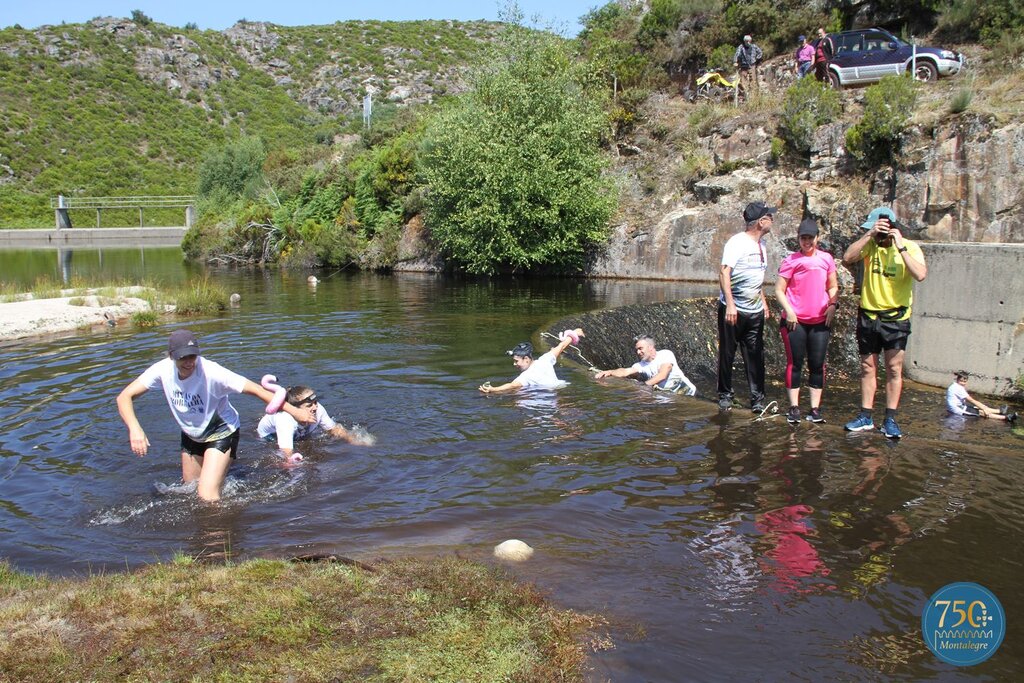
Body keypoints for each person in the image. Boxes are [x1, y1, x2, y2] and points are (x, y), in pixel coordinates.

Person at [116, 329, 315, 502]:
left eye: (192, 356)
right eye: (182, 357)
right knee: (190, 491)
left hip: (221, 432)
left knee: (206, 496)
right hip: (192, 435)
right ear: (171, 356)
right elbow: (124, 396)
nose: (189, 362)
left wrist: (295, 411)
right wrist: (135, 428)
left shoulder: (212, 373)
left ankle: (219, 541)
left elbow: (258, 390)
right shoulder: (161, 370)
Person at [842, 207, 928, 439]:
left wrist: (899, 246)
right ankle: (865, 416)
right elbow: (848, 258)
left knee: (893, 368)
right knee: (867, 367)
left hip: (896, 317)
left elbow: (920, 275)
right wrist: (869, 235)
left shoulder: (909, 247)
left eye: (881, 230)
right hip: (869, 315)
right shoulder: (870, 244)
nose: (880, 235)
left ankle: (890, 418)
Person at [776, 218, 839, 424]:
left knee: (817, 364)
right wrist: (789, 311)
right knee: (795, 363)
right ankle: (794, 408)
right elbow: (779, 290)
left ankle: (814, 409)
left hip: (820, 320)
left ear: (817, 238)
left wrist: (832, 305)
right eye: (803, 238)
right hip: (795, 322)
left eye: (810, 238)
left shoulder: (826, 259)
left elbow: (832, 286)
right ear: (798, 239)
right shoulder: (791, 260)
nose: (807, 242)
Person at [718, 201, 774, 412]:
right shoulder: (737, 242)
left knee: (755, 354)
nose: (772, 219)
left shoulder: (762, 245)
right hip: (733, 309)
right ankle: (725, 394)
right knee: (727, 353)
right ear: (760, 222)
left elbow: (756, 277)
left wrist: (764, 303)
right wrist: (730, 305)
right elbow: (724, 273)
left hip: (755, 310)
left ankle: (757, 399)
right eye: (769, 216)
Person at [258, 384, 367, 459]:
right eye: (309, 405)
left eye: (315, 402)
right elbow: (286, 452)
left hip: (297, 430)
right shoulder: (285, 419)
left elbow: (334, 429)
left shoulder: (317, 408)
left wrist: (352, 439)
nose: (315, 407)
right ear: (295, 409)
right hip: (270, 436)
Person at [479, 329, 584, 394]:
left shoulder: (526, 376)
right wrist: (575, 333)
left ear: (526, 359)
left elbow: (512, 385)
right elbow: (562, 346)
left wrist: (493, 389)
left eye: (516, 361)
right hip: (562, 387)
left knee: (519, 402)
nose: (514, 364)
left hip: (549, 398)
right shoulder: (545, 359)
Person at [594, 334, 697, 395]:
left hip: (690, 394)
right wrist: (610, 372)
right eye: (637, 350)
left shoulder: (665, 354)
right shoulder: (641, 365)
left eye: (640, 349)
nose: (638, 352)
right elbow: (625, 371)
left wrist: (644, 386)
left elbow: (663, 374)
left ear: (650, 347)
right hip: (670, 400)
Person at [946, 372, 1018, 422]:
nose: (963, 383)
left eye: (965, 381)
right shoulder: (957, 388)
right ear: (957, 379)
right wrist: (984, 409)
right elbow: (971, 400)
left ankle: (999, 411)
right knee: (981, 412)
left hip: (960, 406)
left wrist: (983, 407)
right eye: (961, 381)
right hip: (957, 410)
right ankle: (1006, 418)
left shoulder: (956, 385)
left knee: (978, 408)